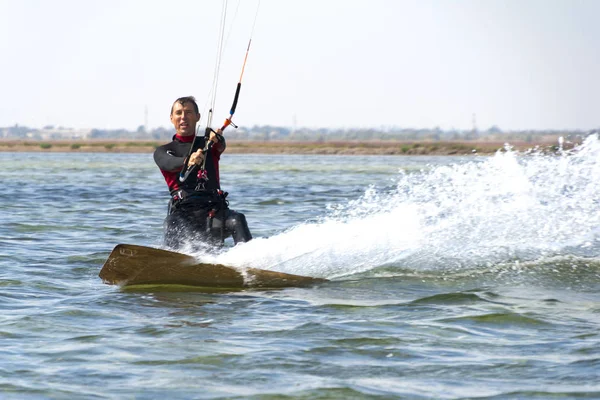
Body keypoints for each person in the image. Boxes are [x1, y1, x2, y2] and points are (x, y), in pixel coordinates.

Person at [153, 96, 252, 250]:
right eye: (178, 113)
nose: (183, 117)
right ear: (172, 118)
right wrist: (188, 161)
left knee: (237, 219)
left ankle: (250, 260)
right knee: (171, 223)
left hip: (214, 213)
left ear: (197, 117)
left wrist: (217, 138)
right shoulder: (164, 151)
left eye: (188, 112)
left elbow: (220, 145)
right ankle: (171, 261)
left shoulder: (209, 144)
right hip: (184, 214)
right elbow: (168, 163)